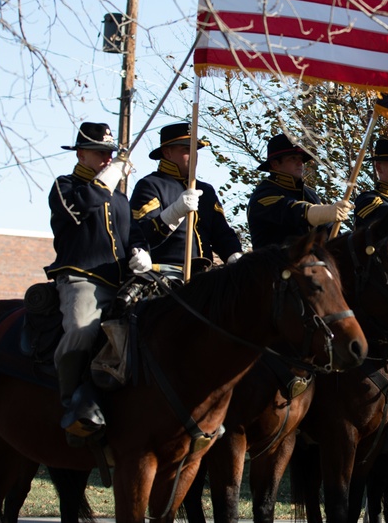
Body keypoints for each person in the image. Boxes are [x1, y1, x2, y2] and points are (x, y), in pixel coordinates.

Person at [45, 122, 150, 439]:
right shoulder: (64, 187)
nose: (107, 158)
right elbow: (81, 208)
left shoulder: (119, 198)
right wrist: (108, 177)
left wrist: (141, 251)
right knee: (81, 330)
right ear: (80, 154)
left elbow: (134, 233)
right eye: (100, 153)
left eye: (110, 153)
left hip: (122, 281)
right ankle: (73, 405)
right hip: (81, 278)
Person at [130, 122, 242, 275]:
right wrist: (174, 213)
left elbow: (221, 233)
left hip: (205, 275)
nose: (193, 155)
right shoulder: (150, 185)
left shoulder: (206, 190)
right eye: (186, 149)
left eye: (195, 150)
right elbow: (141, 234)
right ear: (167, 152)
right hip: (165, 273)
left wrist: (234, 254)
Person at [247, 133, 353, 249]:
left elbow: (329, 230)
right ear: (275, 164)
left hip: (313, 264)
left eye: (300, 159)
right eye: (292, 158)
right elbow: (292, 211)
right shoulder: (263, 195)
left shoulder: (310, 194)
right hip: (276, 264)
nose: (300, 163)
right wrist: (326, 212)